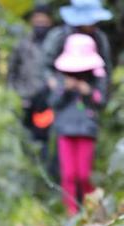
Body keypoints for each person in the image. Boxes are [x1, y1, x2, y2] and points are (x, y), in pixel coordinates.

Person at [49, 33, 107, 215]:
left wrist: (88, 91)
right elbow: (53, 102)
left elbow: (101, 101)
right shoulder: (62, 78)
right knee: (69, 175)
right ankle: (71, 214)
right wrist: (65, 89)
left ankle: (93, 210)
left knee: (83, 175)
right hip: (65, 130)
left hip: (86, 130)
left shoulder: (96, 77)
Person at [8, 3, 55, 173]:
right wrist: (16, 93)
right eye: (37, 20)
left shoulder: (53, 43)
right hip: (25, 98)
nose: (40, 23)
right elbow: (12, 71)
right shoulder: (23, 45)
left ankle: (44, 173)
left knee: (44, 139)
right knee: (25, 137)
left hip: (47, 101)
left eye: (44, 20)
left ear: (49, 21)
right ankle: (27, 171)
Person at [42, 0, 113, 84]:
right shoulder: (60, 35)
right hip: (63, 88)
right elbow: (46, 65)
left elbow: (105, 67)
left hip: (90, 90)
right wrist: (55, 81)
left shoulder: (99, 37)